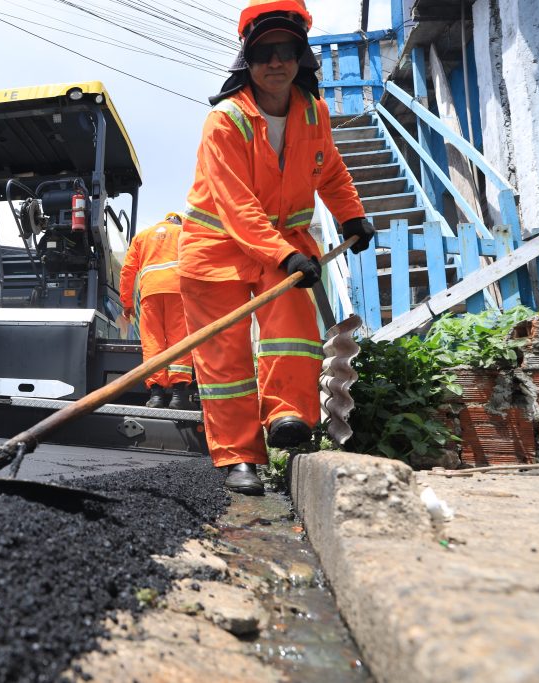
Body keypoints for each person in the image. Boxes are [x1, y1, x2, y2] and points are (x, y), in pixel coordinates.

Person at [179, 0, 375, 495]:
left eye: (285, 50)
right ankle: (239, 456)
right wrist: (284, 254)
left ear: (300, 56)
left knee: (293, 329)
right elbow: (236, 203)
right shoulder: (225, 121)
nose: (275, 62)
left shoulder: (314, 111)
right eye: (264, 52)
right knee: (225, 362)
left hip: (284, 245)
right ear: (248, 59)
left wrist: (350, 213)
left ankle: (287, 417)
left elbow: (327, 167)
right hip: (215, 249)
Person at [119, 212, 194, 409]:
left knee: (153, 342)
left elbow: (127, 271)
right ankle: (178, 396)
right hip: (178, 292)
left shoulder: (142, 237)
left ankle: (157, 396)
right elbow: (198, 261)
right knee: (179, 341)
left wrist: (126, 303)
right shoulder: (184, 232)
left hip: (150, 294)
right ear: (179, 220)